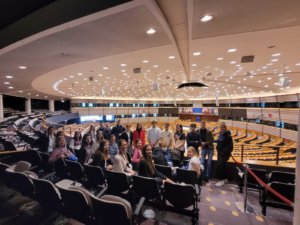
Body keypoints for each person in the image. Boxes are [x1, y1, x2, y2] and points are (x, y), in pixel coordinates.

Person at [215, 123, 233, 187]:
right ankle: (225, 179)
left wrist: (223, 152)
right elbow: (219, 142)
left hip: (224, 154)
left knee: (221, 165)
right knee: (223, 166)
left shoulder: (228, 136)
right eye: (220, 127)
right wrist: (217, 147)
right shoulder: (220, 134)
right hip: (219, 153)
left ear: (225, 128)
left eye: (222, 127)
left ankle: (222, 180)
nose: (221, 128)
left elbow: (230, 146)